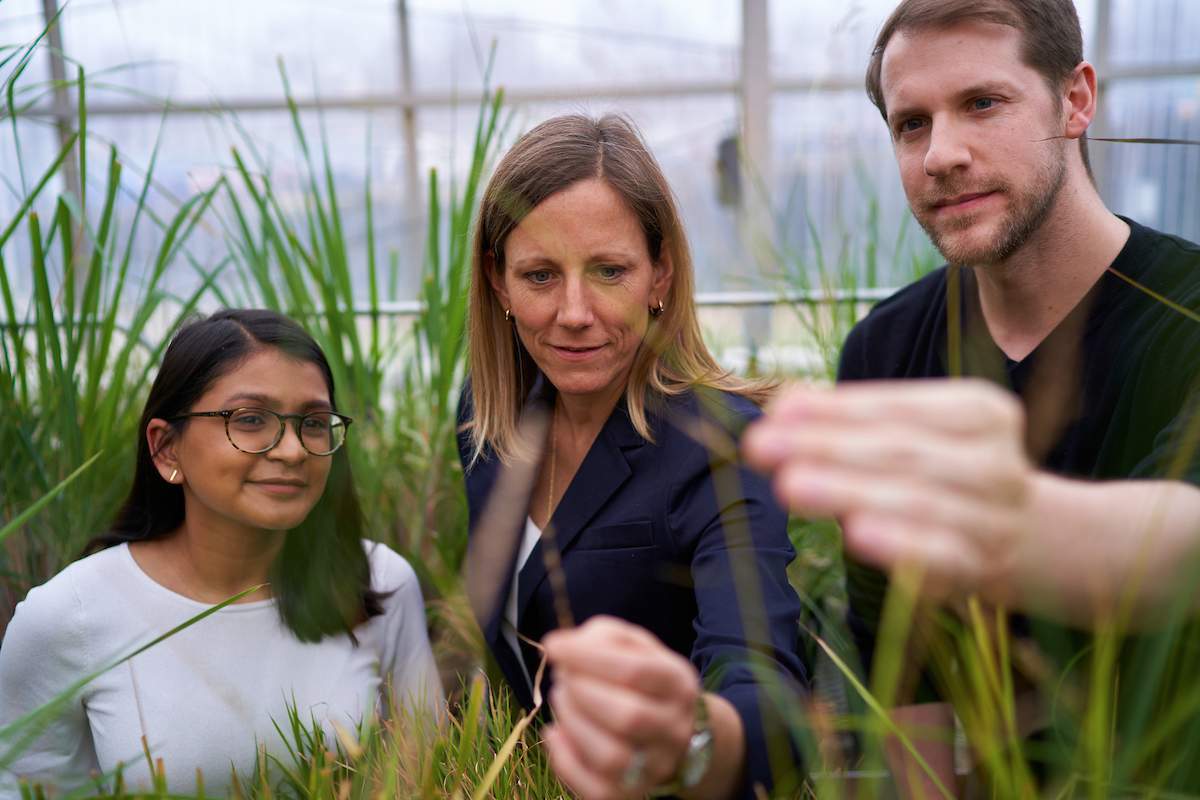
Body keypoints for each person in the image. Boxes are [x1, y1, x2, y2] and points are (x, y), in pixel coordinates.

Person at [742, 0, 1200, 794]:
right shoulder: (884, 354)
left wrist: (1003, 523)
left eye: (982, 104)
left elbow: (1181, 548)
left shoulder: (1186, 315)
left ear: (1076, 99)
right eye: (910, 124)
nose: (940, 155)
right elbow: (907, 678)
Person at [457, 114, 809, 799]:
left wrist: (699, 738)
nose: (575, 311)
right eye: (539, 275)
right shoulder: (486, 419)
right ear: (499, 284)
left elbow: (762, 679)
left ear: (660, 277)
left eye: (609, 270)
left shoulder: (719, 443)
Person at [0, 309, 442, 796]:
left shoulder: (376, 582)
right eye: (250, 419)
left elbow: (433, 776)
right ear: (167, 447)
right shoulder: (70, 616)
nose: (293, 450)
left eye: (314, 423)